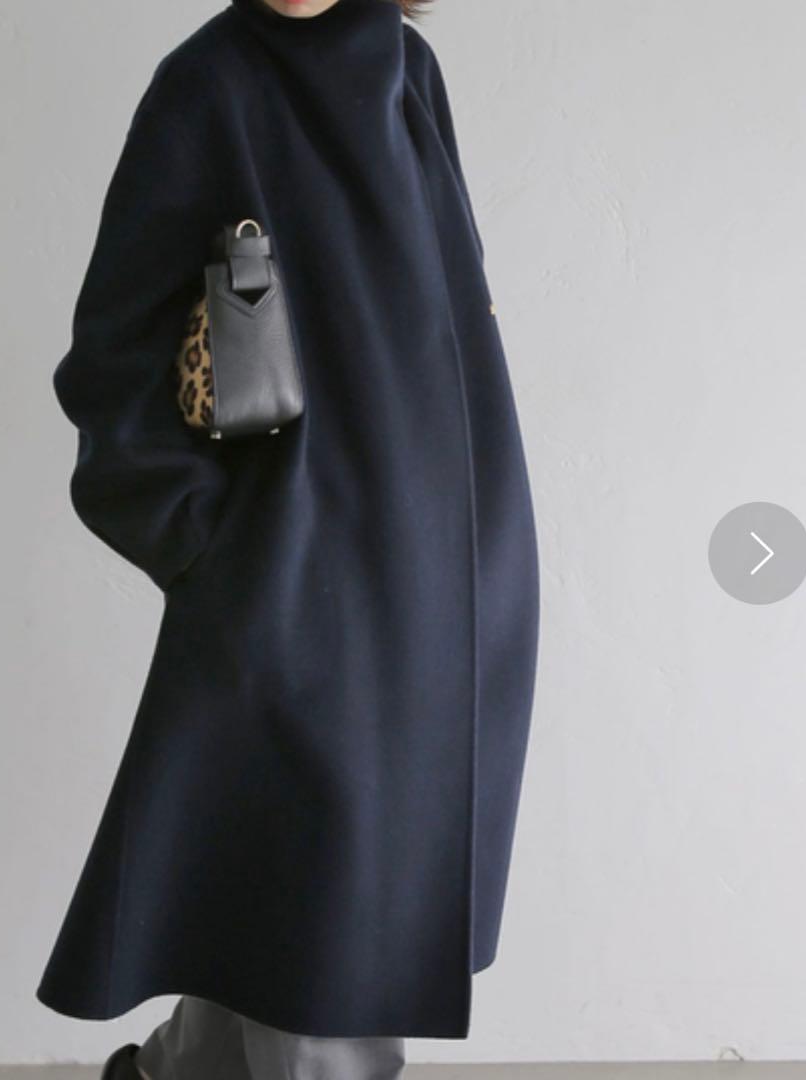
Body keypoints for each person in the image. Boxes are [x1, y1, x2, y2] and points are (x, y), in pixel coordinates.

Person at [38, 0, 540, 1076]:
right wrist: (219, 555)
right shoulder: (205, 87)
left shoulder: (408, 70)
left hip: (442, 583)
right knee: (327, 949)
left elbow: (451, 321)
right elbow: (112, 365)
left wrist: (485, 548)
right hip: (291, 593)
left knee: (273, 930)